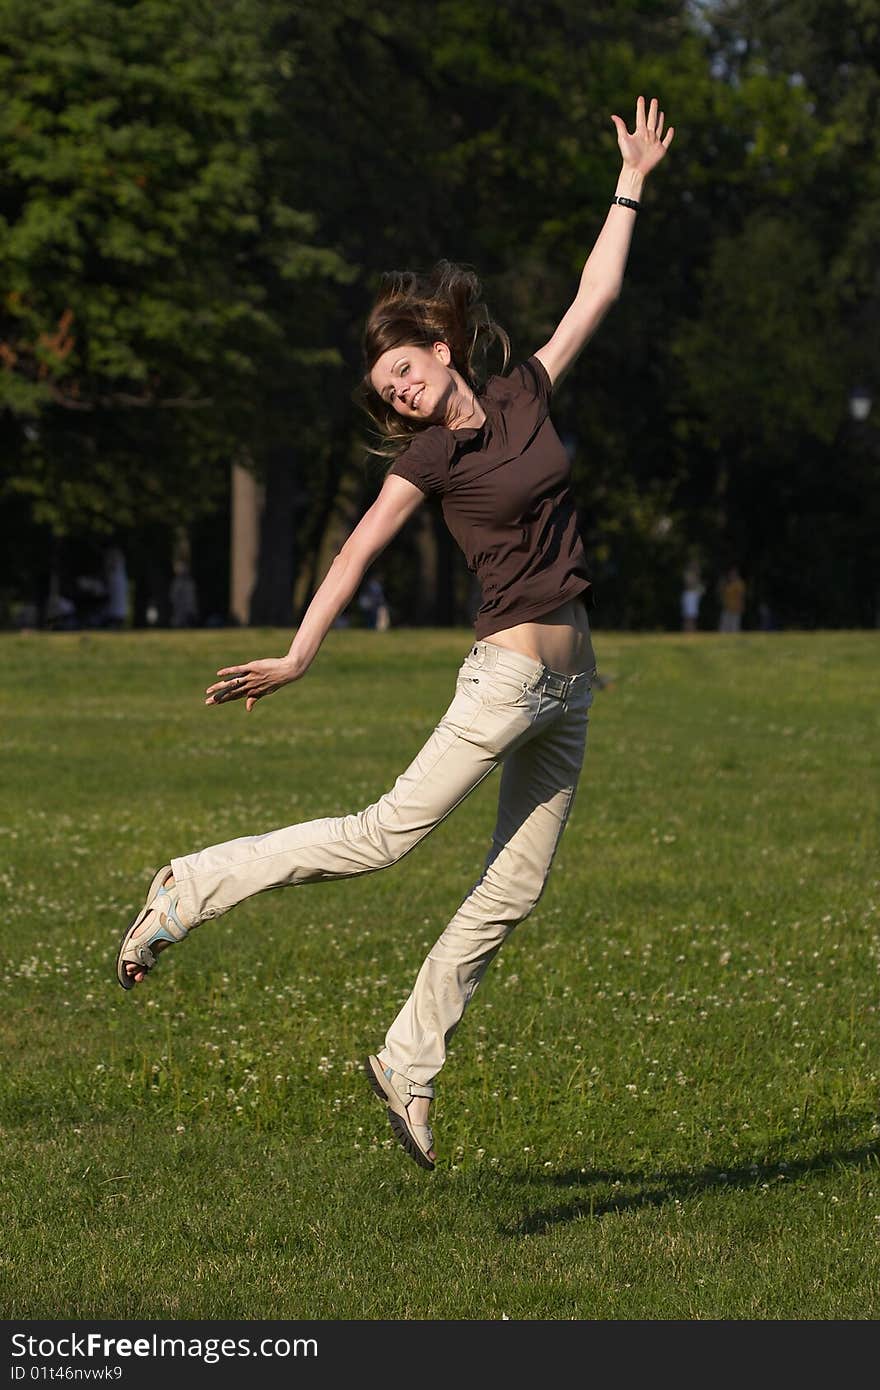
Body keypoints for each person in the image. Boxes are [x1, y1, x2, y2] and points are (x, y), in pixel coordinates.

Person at [117, 96, 675, 1171]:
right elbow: (359, 548)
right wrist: (299, 652)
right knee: (383, 837)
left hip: (572, 686)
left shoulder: (522, 390)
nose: (403, 392)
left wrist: (631, 181)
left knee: (515, 889)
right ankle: (187, 886)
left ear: (436, 342)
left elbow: (596, 290)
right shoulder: (428, 460)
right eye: (388, 393)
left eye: (406, 371)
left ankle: (407, 1063)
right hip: (505, 680)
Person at [718, 565, 746, 633]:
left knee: (734, 626)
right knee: (724, 625)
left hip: (736, 608)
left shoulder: (739, 584)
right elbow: (722, 594)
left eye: (733, 574)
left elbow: (741, 596)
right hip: (727, 608)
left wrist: (741, 606)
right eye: (730, 574)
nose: (731, 576)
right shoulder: (727, 584)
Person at [680, 563, 704, 633]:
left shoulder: (696, 576)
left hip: (693, 596)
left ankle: (692, 631)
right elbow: (690, 584)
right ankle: (687, 631)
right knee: (687, 616)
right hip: (689, 596)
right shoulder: (688, 574)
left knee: (693, 616)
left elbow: (697, 586)